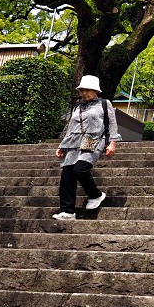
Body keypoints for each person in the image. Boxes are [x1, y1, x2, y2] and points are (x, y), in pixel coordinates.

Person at [53, 75, 120, 220]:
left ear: (96, 90)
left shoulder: (104, 103)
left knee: (80, 169)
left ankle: (96, 195)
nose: (84, 93)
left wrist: (112, 142)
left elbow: (112, 124)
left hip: (93, 139)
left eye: (87, 90)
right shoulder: (78, 106)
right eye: (82, 90)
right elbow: (71, 127)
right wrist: (62, 145)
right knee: (67, 174)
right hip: (73, 142)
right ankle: (67, 211)